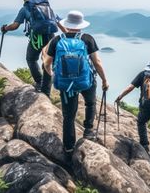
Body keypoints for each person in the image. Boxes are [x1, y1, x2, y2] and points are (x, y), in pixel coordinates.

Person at [43, 10, 109, 157]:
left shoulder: (57, 40)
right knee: (90, 104)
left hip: (66, 84)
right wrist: (105, 80)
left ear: (67, 23)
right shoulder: (87, 39)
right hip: (86, 81)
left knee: (68, 116)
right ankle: (88, 131)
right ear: (81, 25)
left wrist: (53, 75)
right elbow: (97, 62)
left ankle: (68, 147)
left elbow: (47, 63)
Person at [1, 0, 59, 97]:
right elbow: (58, 21)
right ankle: (47, 90)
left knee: (31, 59)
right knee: (48, 62)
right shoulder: (46, 7)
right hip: (51, 37)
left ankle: (39, 82)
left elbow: (15, 26)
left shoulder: (25, 8)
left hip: (36, 38)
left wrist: (5, 28)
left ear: (25, 0)